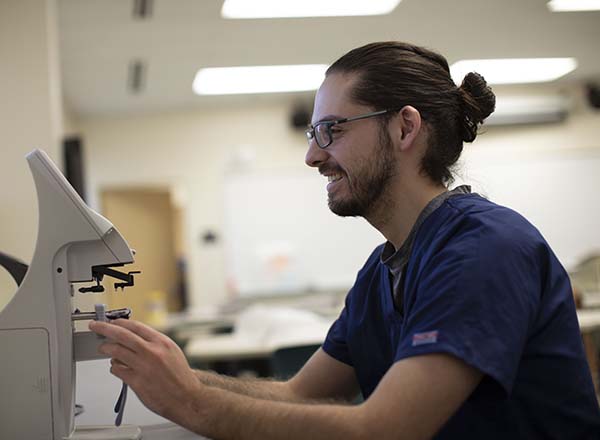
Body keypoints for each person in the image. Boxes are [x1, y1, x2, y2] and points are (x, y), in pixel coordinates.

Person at [90, 41, 600, 439]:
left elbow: (385, 429)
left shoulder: (483, 249)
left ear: (405, 129)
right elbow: (297, 395)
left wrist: (191, 403)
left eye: (330, 130)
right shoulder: (383, 272)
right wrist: (183, 375)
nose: (312, 156)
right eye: (313, 133)